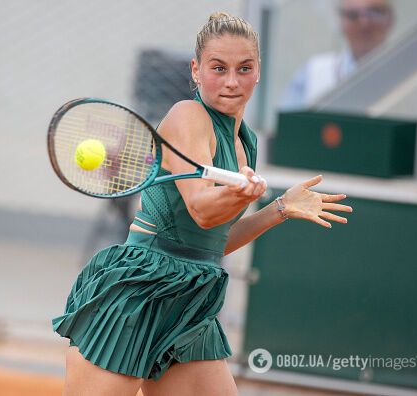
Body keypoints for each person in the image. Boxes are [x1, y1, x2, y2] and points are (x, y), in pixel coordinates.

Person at [52, 12, 353, 396]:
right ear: (196, 70)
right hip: (138, 291)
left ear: (258, 72)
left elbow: (212, 241)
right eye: (218, 68)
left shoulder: (247, 143)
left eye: (244, 68)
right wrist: (237, 192)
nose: (231, 81)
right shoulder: (187, 116)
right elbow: (201, 209)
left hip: (192, 300)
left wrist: (278, 210)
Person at [281, 0, 394, 109]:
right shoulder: (313, 72)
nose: (364, 23)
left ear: (390, 19)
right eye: (353, 15)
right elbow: (286, 124)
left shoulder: (407, 74)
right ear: (341, 22)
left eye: (374, 12)